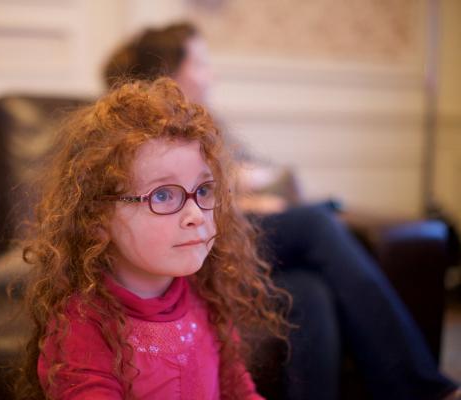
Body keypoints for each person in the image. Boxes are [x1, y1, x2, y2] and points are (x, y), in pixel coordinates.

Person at [102, 22, 460, 400]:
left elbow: (254, 177)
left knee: (309, 291)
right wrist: (240, 197)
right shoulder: (136, 137)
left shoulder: (206, 125)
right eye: (202, 63)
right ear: (171, 72)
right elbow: (205, 192)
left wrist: (253, 192)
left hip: (239, 227)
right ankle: (419, 387)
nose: (212, 74)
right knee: (317, 223)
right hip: (212, 241)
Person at [14, 78, 290, 400]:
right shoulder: (82, 329)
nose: (196, 215)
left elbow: (239, 391)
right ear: (96, 219)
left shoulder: (207, 298)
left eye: (204, 190)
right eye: (162, 195)